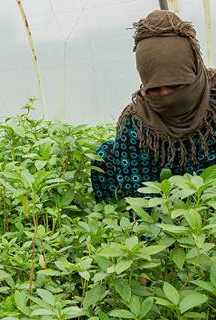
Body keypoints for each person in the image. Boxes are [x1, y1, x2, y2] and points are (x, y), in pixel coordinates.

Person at [92, 10, 216, 203]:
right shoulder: (137, 123)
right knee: (105, 154)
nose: (166, 95)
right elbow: (141, 196)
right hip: (168, 208)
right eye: (155, 90)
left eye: (175, 86)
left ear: (194, 71)